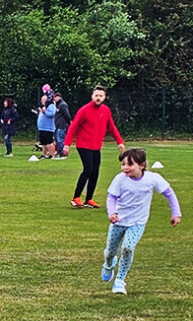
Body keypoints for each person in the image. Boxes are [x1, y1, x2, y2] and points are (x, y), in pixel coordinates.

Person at [100, 148, 181, 295]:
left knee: (128, 248)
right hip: (119, 221)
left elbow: (169, 193)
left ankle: (120, 280)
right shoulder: (120, 179)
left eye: (129, 164)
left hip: (138, 222)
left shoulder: (152, 179)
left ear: (142, 165)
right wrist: (112, 213)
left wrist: (176, 213)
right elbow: (111, 197)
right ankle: (108, 263)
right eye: (123, 164)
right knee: (110, 251)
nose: (125, 168)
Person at [63, 86, 125, 208]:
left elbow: (112, 127)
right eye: (96, 95)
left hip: (96, 146)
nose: (98, 98)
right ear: (92, 96)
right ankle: (76, 197)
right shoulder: (84, 110)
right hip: (83, 144)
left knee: (95, 172)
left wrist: (120, 142)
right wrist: (67, 144)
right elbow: (73, 126)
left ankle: (89, 199)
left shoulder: (106, 111)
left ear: (104, 97)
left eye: (101, 96)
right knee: (88, 169)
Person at [35, 85, 56, 159]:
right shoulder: (43, 106)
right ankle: (44, 154)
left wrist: (45, 112)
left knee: (49, 142)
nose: (42, 101)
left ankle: (52, 154)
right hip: (42, 127)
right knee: (43, 142)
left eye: (43, 100)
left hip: (48, 127)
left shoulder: (51, 106)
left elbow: (52, 114)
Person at [53, 91, 71, 159]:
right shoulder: (58, 105)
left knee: (60, 139)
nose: (54, 99)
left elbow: (67, 115)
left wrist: (68, 123)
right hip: (57, 125)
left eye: (55, 97)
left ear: (58, 97)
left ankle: (62, 153)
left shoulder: (63, 105)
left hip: (62, 125)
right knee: (58, 139)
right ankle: (59, 152)